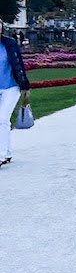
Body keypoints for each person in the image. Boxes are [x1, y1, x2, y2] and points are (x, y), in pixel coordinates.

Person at [0, 20, 32, 167]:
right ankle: (6, 153)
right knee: (3, 122)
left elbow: (18, 64)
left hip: (10, 87)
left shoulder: (9, 43)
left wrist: (24, 85)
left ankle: (1, 155)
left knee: (2, 119)